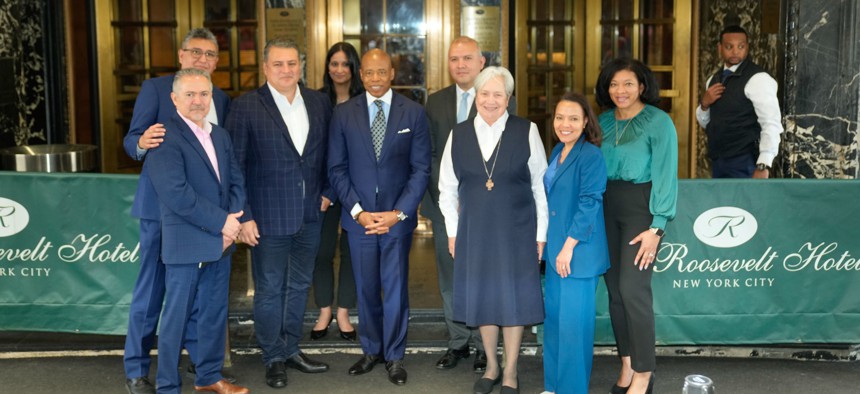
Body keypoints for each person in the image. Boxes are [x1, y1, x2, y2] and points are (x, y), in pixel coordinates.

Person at [121, 27, 233, 394]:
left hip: (204, 216)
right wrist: (139, 142)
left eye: (210, 54)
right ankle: (137, 370)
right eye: (195, 52)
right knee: (152, 292)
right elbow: (132, 139)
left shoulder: (221, 98)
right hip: (162, 211)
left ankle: (201, 367)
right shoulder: (156, 89)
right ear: (182, 55)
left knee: (201, 295)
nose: (202, 59)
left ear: (217, 61)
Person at [226, 37, 332, 389]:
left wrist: (329, 193)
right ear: (265, 67)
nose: (286, 70)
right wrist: (243, 215)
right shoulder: (246, 107)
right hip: (267, 218)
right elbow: (234, 167)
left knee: (300, 285)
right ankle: (272, 357)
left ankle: (291, 349)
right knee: (270, 289)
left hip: (309, 215)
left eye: (292, 64)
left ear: (301, 66)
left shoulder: (319, 102)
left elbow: (331, 154)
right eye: (278, 64)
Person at [438, 66, 548, 394]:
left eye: (498, 94)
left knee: (512, 301)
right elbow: (447, 189)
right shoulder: (458, 134)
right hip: (474, 232)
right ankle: (492, 365)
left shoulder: (526, 130)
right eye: (484, 93)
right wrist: (453, 232)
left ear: (508, 99)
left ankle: (511, 371)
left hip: (517, 230)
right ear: (475, 97)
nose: (490, 100)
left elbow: (541, 187)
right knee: (484, 299)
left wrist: (541, 235)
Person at [327, 48, 430, 386]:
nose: (374, 78)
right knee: (366, 288)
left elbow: (420, 170)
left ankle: (395, 356)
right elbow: (337, 168)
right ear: (361, 75)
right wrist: (357, 212)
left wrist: (398, 213)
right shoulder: (343, 114)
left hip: (395, 221)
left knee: (396, 289)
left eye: (381, 72)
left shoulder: (413, 113)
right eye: (368, 72)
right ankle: (372, 350)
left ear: (392, 74)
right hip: (359, 221)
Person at [145, 68, 248, 394]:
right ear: (174, 99)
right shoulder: (163, 136)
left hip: (222, 241)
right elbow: (176, 194)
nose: (197, 101)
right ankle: (167, 387)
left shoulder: (219, 134)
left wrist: (231, 223)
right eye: (189, 94)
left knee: (214, 314)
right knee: (176, 318)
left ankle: (208, 378)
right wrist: (223, 223)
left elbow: (236, 180)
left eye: (204, 94)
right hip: (187, 241)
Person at [422, 36, 516, 373]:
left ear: (481, 62)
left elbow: (511, 155)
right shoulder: (435, 102)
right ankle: (457, 342)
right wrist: (450, 196)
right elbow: (429, 155)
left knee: (485, 277)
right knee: (450, 279)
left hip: (490, 211)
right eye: (453, 59)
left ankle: (483, 347)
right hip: (445, 206)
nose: (460, 64)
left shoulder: (502, 100)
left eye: (467, 58)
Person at [595, 58, 678, 394]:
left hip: (640, 212)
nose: (621, 91)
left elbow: (665, 175)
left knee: (633, 291)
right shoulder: (600, 122)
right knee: (615, 293)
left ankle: (645, 372)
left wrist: (657, 226)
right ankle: (627, 363)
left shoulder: (659, 122)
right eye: (614, 84)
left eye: (628, 83)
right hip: (604, 209)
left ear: (642, 86)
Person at [541, 92, 610, 394]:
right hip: (557, 251)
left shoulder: (591, 155)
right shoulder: (558, 149)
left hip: (577, 253)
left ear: (585, 122)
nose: (564, 124)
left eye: (573, 118)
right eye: (559, 117)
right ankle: (554, 387)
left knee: (573, 330)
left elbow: (589, 203)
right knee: (555, 324)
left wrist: (567, 247)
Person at [310, 42, 364, 342]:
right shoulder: (316, 100)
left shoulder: (364, 100)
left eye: (345, 64)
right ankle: (324, 310)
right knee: (323, 251)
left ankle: (344, 310)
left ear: (354, 67)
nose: (339, 70)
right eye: (334, 63)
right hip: (324, 191)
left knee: (351, 252)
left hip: (356, 189)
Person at [696, 25, 783, 178]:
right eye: (729, 47)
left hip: (746, 161)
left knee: (745, 203)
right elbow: (709, 124)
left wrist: (763, 164)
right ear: (720, 48)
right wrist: (704, 104)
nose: (735, 51)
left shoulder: (758, 78)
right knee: (722, 202)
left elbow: (771, 122)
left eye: (741, 46)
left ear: (747, 47)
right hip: (718, 161)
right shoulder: (713, 79)